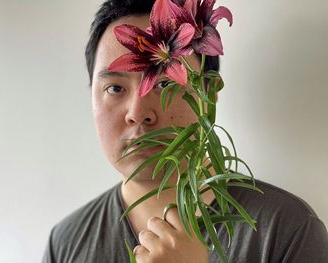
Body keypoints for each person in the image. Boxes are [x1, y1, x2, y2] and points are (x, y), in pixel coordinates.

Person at [42, 0, 328, 262]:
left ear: (209, 93)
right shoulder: (65, 243)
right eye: (115, 88)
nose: (138, 113)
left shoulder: (287, 231)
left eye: (165, 83)